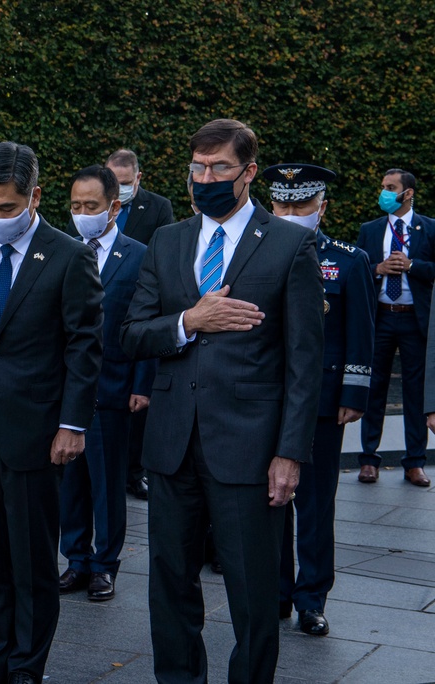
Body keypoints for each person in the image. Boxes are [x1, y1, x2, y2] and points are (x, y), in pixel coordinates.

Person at [121, 118, 324, 684]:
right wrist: (189, 320)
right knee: (169, 586)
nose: (205, 178)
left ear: (249, 172)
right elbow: (132, 333)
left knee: (253, 595)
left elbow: (304, 362)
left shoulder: (290, 243)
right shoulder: (168, 240)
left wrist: (290, 453)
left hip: (250, 450)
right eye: (196, 169)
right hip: (171, 446)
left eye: (219, 168)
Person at [0, 141, 103, 684]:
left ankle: (27, 668)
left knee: (31, 563)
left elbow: (84, 345)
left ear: (34, 195)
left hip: (36, 429)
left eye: (6, 208)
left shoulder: (69, 254)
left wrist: (72, 423)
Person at [263, 163, 375, 637]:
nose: (290, 213)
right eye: (282, 205)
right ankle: (278, 592)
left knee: (314, 504)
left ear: (321, 207)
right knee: (270, 502)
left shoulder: (349, 260)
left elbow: (361, 333)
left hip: (325, 402)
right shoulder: (254, 255)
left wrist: (353, 392)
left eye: (300, 206)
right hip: (266, 397)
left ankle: (312, 597)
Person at [58, 164, 155, 602]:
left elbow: (145, 324)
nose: (82, 213)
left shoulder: (138, 255)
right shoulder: (60, 249)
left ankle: (105, 564)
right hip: (63, 389)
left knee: (108, 482)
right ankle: (75, 559)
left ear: (114, 207)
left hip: (114, 387)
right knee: (69, 481)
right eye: (76, 205)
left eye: (91, 206)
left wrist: (141, 383)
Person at [105, 149, 176, 502]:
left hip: (143, 300)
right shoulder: (95, 204)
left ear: (138, 178)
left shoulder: (158, 207)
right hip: (108, 306)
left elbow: (163, 253)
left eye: (125, 182)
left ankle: (136, 471)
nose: (119, 188)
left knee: (138, 405)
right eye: (113, 181)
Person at [356, 168, 434, 487]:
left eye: (391, 187)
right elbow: (357, 270)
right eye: (383, 187)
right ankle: (369, 460)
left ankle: (414, 463)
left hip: (415, 319)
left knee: (415, 392)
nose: (385, 192)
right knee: (374, 388)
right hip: (381, 317)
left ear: (408, 193)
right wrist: (377, 268)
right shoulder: (370, 230)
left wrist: (412, 266)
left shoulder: (429, 228)